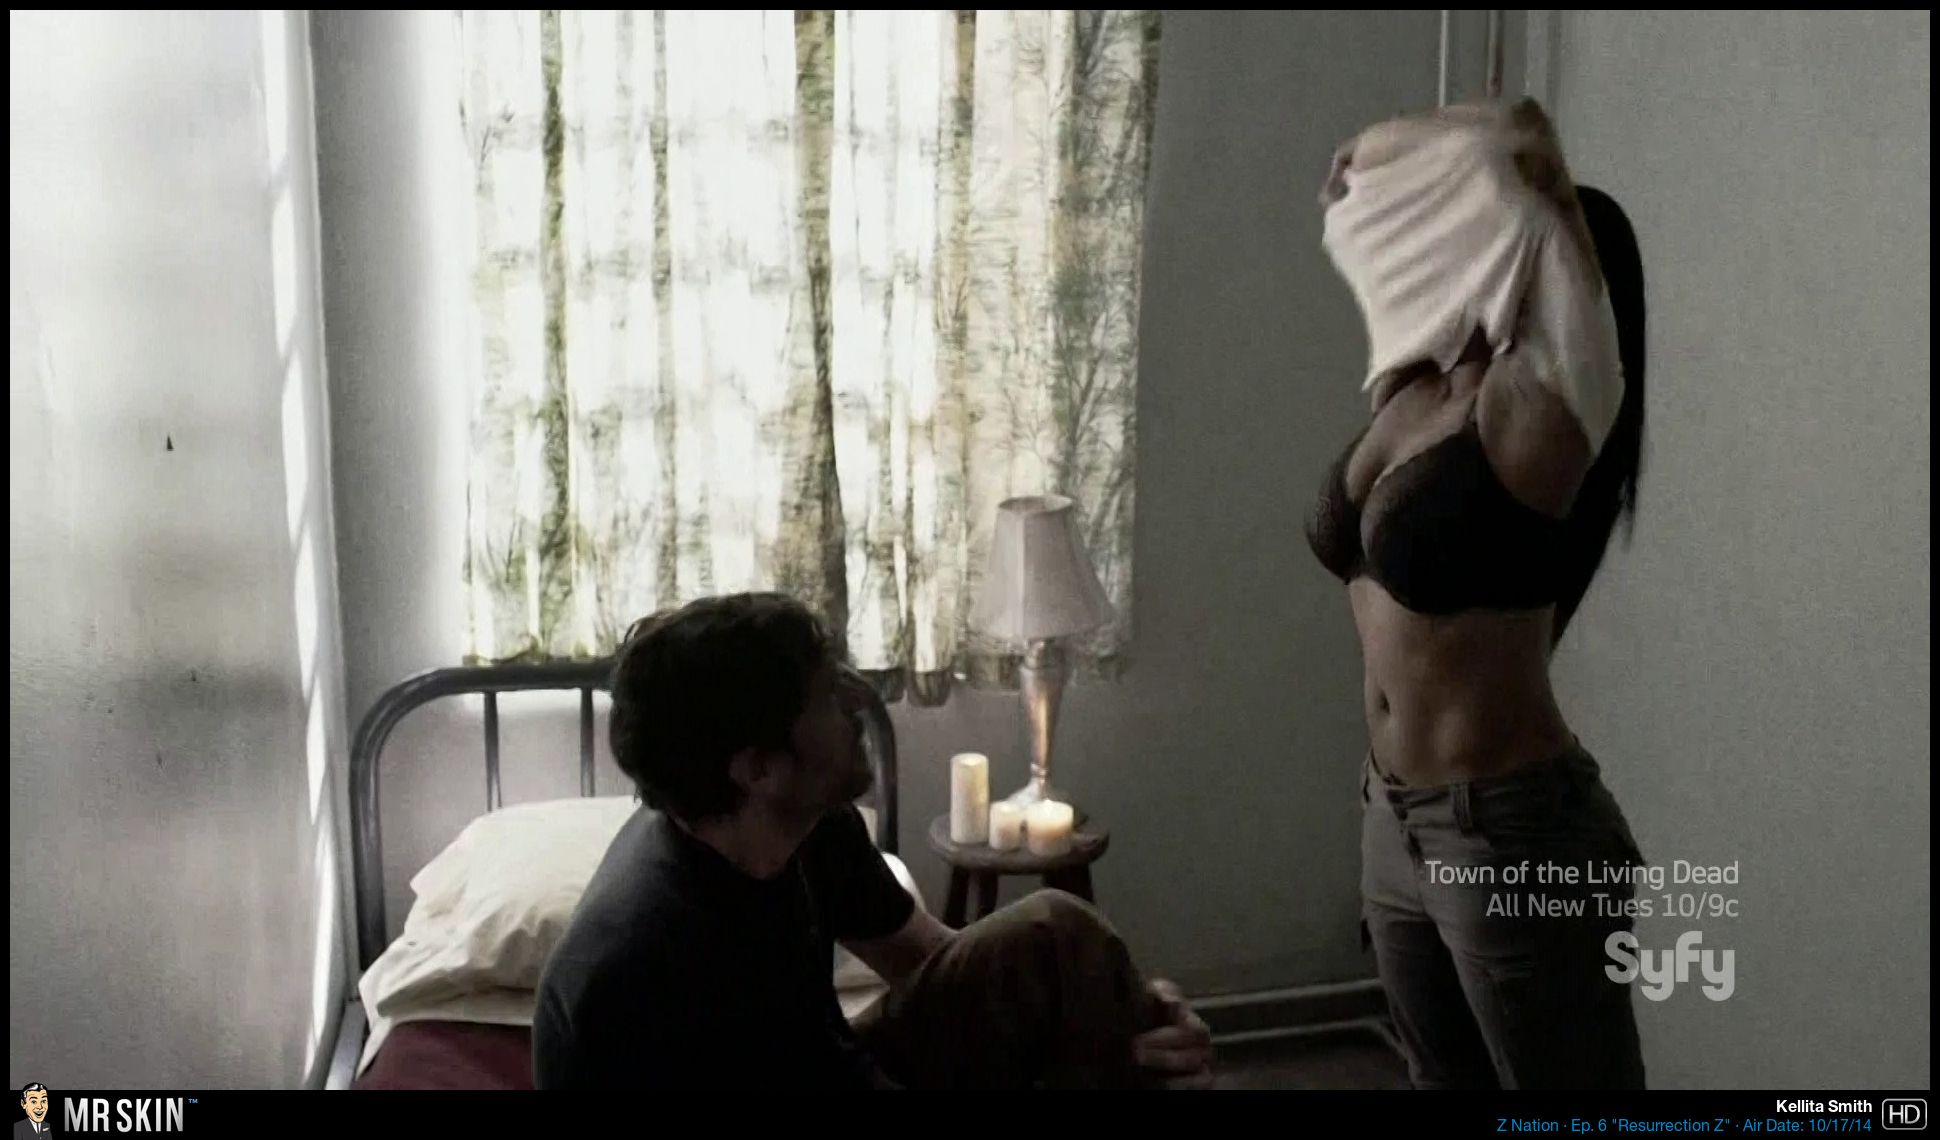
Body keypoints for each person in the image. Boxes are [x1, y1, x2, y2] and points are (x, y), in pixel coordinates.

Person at [1305, 98, 1651, 1089]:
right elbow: (1364, 211)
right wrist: (1371, 167)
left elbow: (1525, 129)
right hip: (1391, 817)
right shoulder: (1418, 382)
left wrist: (1532, 190)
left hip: (1507, 828)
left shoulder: (1548, 411)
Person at [531, 591, 1215, 1090]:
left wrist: (1129, 1010)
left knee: (1054, 936)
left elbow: (935, 961)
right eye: (829, 696)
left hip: (815, 1065)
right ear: (758, 769)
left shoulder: (809, 825)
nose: (859, 704)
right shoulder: (644, 977)